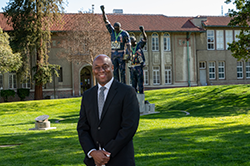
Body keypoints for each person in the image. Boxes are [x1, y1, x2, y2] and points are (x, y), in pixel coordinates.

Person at [77, 54, 140, 166]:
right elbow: (82, 128)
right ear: (93, 71)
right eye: (97, 67)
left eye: (105, 66)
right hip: (93, 162)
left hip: (119, 160)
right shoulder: (87, 95)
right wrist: (93, 152)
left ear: (112, 68)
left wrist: (105, 153)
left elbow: (129, 127)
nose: (101, 70)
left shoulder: (127, 92)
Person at [101, 5, 131, 84]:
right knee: (115, 71)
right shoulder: (112, 31)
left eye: (117, 29)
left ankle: (123, 85)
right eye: (115, 28)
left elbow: (128, 45)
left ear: (120, 28)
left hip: (121, 53)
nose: (116, 30)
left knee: (122, 71)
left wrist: (129, 54)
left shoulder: (125, 34)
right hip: (114, 54)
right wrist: (103, 11)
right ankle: (116, 84)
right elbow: (106, 21)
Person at [129, 26, 147, 94]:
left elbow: (145, 39)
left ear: (135, 41)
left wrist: (143, 31)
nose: (131, 43)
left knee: (140, 82)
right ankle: (134, 97)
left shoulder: (139, 45)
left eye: (132, 42)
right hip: (132, 67)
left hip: (139, 66)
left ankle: (141, 96)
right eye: (130, 42)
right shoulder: (129, 48)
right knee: (133, 83)